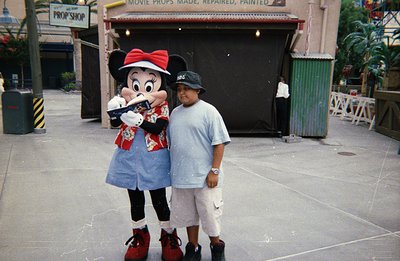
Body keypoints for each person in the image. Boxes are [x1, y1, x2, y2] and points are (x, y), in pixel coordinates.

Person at [106, 49, 183, 261]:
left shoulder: (162, 106)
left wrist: (139, 121)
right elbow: (114, 122)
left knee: (159, 200)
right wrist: (114, 110)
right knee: (135, 199)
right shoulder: (126, 102)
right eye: (135, 83)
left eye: (148, 84)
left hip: (154, 158)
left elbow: (159, 128)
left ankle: (168, 235)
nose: (141, 90)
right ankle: (140, 236)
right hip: (129, 157)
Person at [168, 71, 231, 261]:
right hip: (181, 177)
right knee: (188, 216)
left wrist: (214, 170)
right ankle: (193, 248)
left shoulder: (209, 111)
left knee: (210, 216)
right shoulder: (174, 113)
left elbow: (219, 142)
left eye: (186, 89)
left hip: (205, 178)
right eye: (179, 89)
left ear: (197, 90)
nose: (182, 93)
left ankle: (216, 247)